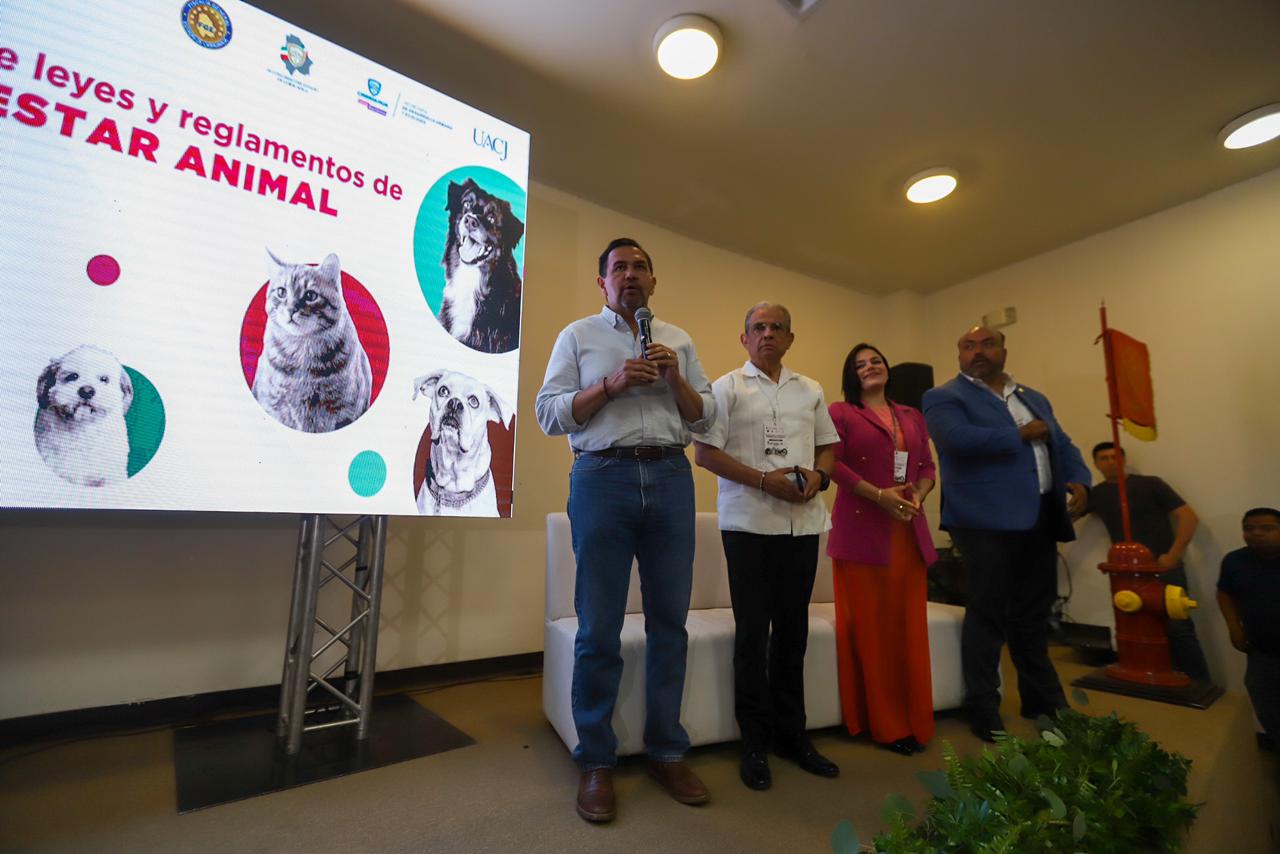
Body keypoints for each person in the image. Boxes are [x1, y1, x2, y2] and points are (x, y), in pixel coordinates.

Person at [535, 237, 716, 823]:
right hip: (602, 477)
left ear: (654, 281)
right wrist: (609, 386)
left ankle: (666, 750)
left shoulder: (679, 339)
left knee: (670, 623)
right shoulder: (577, 336)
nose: (630, 274)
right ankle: (596, 760)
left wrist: (676, 380)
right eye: (619, 268)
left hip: (670, 475)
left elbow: (706, 417)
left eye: (640, 267)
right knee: (599, 626)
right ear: (603, 282)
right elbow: (547, 413)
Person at [693, 302, 841, 791]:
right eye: (758, 327)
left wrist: (819, 476)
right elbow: (705, 453)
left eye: (778, 327)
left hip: (803, 525)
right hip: (749, 527)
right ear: (745, 338)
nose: (768, 334)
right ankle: (754, 741)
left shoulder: (810, 389)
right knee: (753, 636)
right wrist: (762, 479)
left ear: (790, 338)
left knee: (793, 635)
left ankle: (792, 735)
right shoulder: (727, 387)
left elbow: (828, 447)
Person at [922, 326, 1090, 742]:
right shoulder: (944, 396)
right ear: (959, 355)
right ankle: (983, 705)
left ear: (1003, 350)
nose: (977, 352)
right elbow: (955, 440)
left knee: (1034, 613)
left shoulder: (1033, 398)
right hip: (981, 520)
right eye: (968, 346)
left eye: (987, 344)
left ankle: (1043, 701)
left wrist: (1081, 480)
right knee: (988, 612)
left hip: (1039, 516)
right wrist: (1018, 434)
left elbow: (1062, 444)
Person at [826, 343, 938, 756]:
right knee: (874, 632)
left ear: (887, 369)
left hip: (907, 529)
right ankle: (885, 725)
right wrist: (879, 495)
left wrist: (919, 493)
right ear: (851, 375)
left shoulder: (911, 415)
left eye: (876, 361)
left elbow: (926, 466)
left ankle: (913, 718)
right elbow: (832, 464)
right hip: (861, 533)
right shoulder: (841, 412)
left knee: (907, 629)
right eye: (860, 364)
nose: (870, 367)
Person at [1087, 442, 1211, 682]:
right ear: (1096, 464)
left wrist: (1173, 556)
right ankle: (1153, 682)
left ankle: (1198, 684)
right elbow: (1068, 516)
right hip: (1126, 574)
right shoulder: (1097, 494)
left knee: (1179, 628)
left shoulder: (1151, 484)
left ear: (1124, 459)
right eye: (1104, 458)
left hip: (1162, 569)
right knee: (1134, 627)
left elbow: (1188, 517)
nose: (1110, 462)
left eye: (1115, 456)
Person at [1216, 507, 1280, 747]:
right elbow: (1225, 592)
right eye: (1249, 529)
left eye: (1267, 528)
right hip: (1261, 652)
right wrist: (1234, 626)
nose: (1256, 533)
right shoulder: (1235, 561)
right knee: (1267, 708)